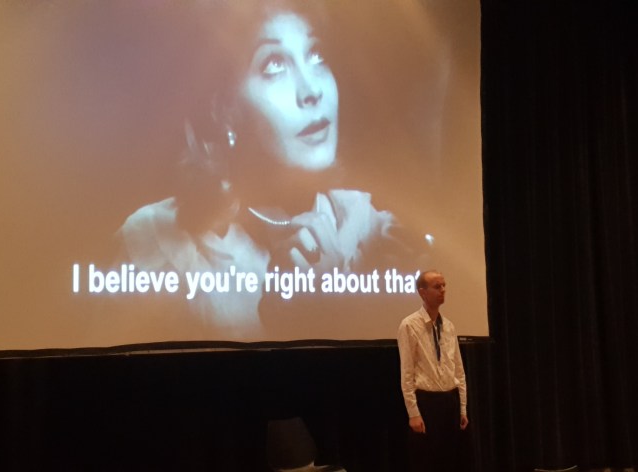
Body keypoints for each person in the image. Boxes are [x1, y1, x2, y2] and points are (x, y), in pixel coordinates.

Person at [117, 1, 425, 333]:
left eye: (316, 55)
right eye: (274, 64)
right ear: (224, 110)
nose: (311, 91)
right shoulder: (161, 245)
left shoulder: (366, 225)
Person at [397, 270, 468, 471]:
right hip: (427, 402)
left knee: (449, 461)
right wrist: (413, 413)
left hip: (450, 401)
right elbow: (407, 372)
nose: (443, 290)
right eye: (437, 287)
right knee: (426, 462)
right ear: (422, 292)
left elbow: (458, 369)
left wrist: (462, 407)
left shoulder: (449, 326)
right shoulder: (409, 325)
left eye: (444, 285)